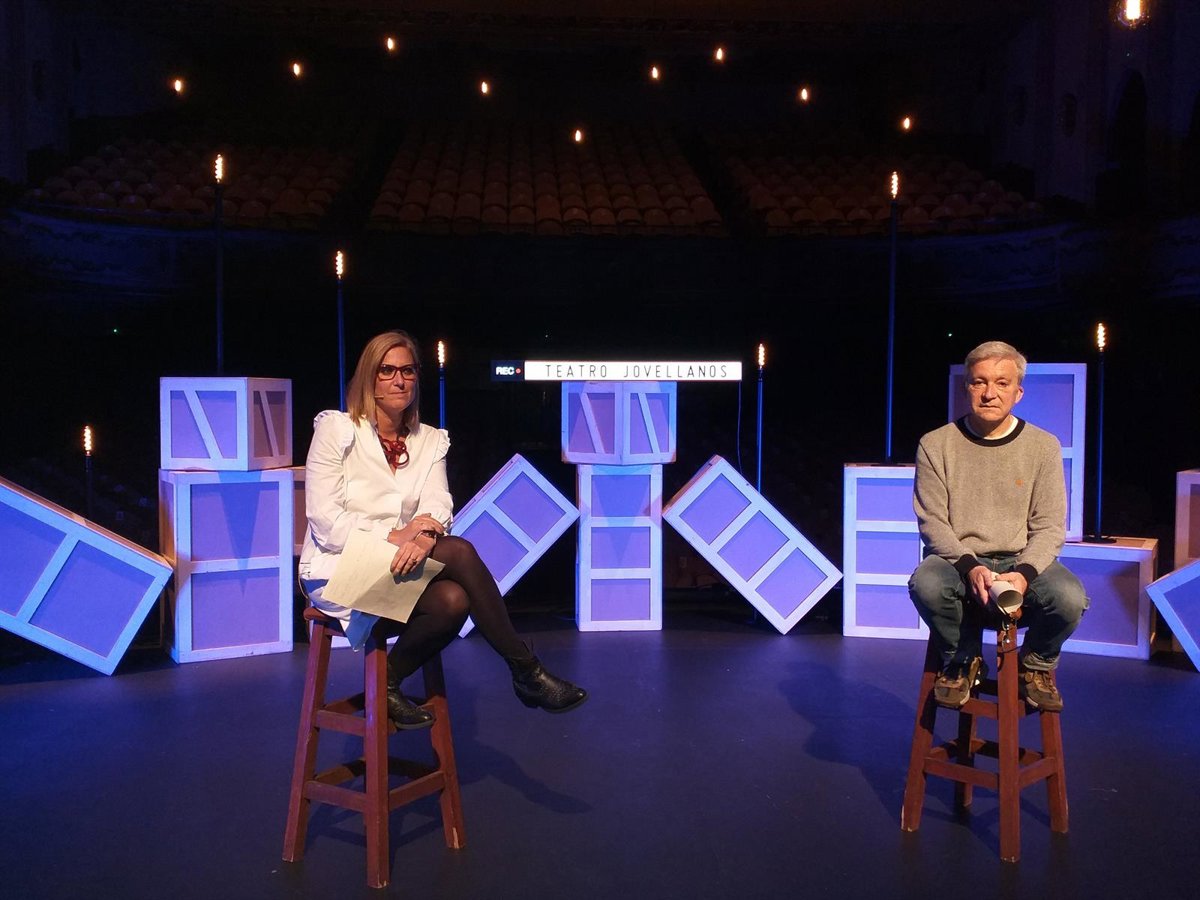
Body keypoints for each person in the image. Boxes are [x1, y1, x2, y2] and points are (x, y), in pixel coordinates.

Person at [298, 330, 586, 728]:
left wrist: (424, 535)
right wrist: (397, 536)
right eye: (387, 371)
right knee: (458, 551)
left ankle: (387, 683)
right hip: (338, 568)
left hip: (399, 563)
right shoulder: (336, 429)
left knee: (453, 600)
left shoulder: (430, 440)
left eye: (408, 371)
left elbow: (438, 504)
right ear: (369, 378)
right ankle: (526, 670)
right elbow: (325, 521)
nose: (400, 380)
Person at [908, 340, 1088, 712]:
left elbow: (1050, 526)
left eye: (1002, 383)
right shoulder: (935, 444)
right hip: (957, 560)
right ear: (967, 388)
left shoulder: (1043, 446)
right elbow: (932, 521)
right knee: (926, 584)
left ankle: (1035, 664)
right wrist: (969, 566)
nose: (990, 393)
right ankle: (963, 659)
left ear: (1018, 393)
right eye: (980, 382)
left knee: (1069, 598)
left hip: (1020, 560)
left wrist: (1024, 573)